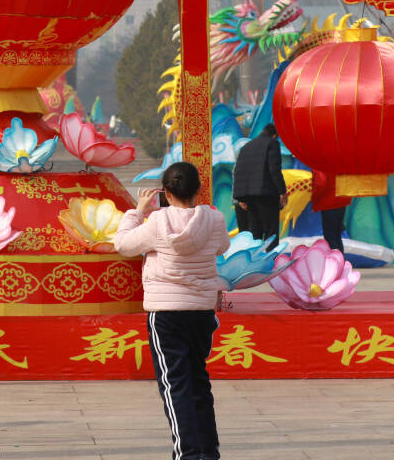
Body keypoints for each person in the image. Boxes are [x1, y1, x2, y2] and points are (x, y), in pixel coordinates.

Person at [114, 162, 230, 460]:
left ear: (165, 192)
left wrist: (137, 212)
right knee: (198, 381)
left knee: (175, 384)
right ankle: (208, 452)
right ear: (198, 189)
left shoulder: (157, 222)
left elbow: (123, 244)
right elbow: (221, 247)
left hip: (166, 313)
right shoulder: (214, 219)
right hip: (201, 311)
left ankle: (187, 454)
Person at [231, 123, 287, 247]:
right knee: (271, 233)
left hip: (250, 198)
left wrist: (240, 197)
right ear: (274, 135)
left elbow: (239, 171)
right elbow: (274, 169)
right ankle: (271, 257)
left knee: (255, 233)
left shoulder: (247, 147)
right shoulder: (272, 143)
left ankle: (255, 257)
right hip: (267, 195)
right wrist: (282, 191)